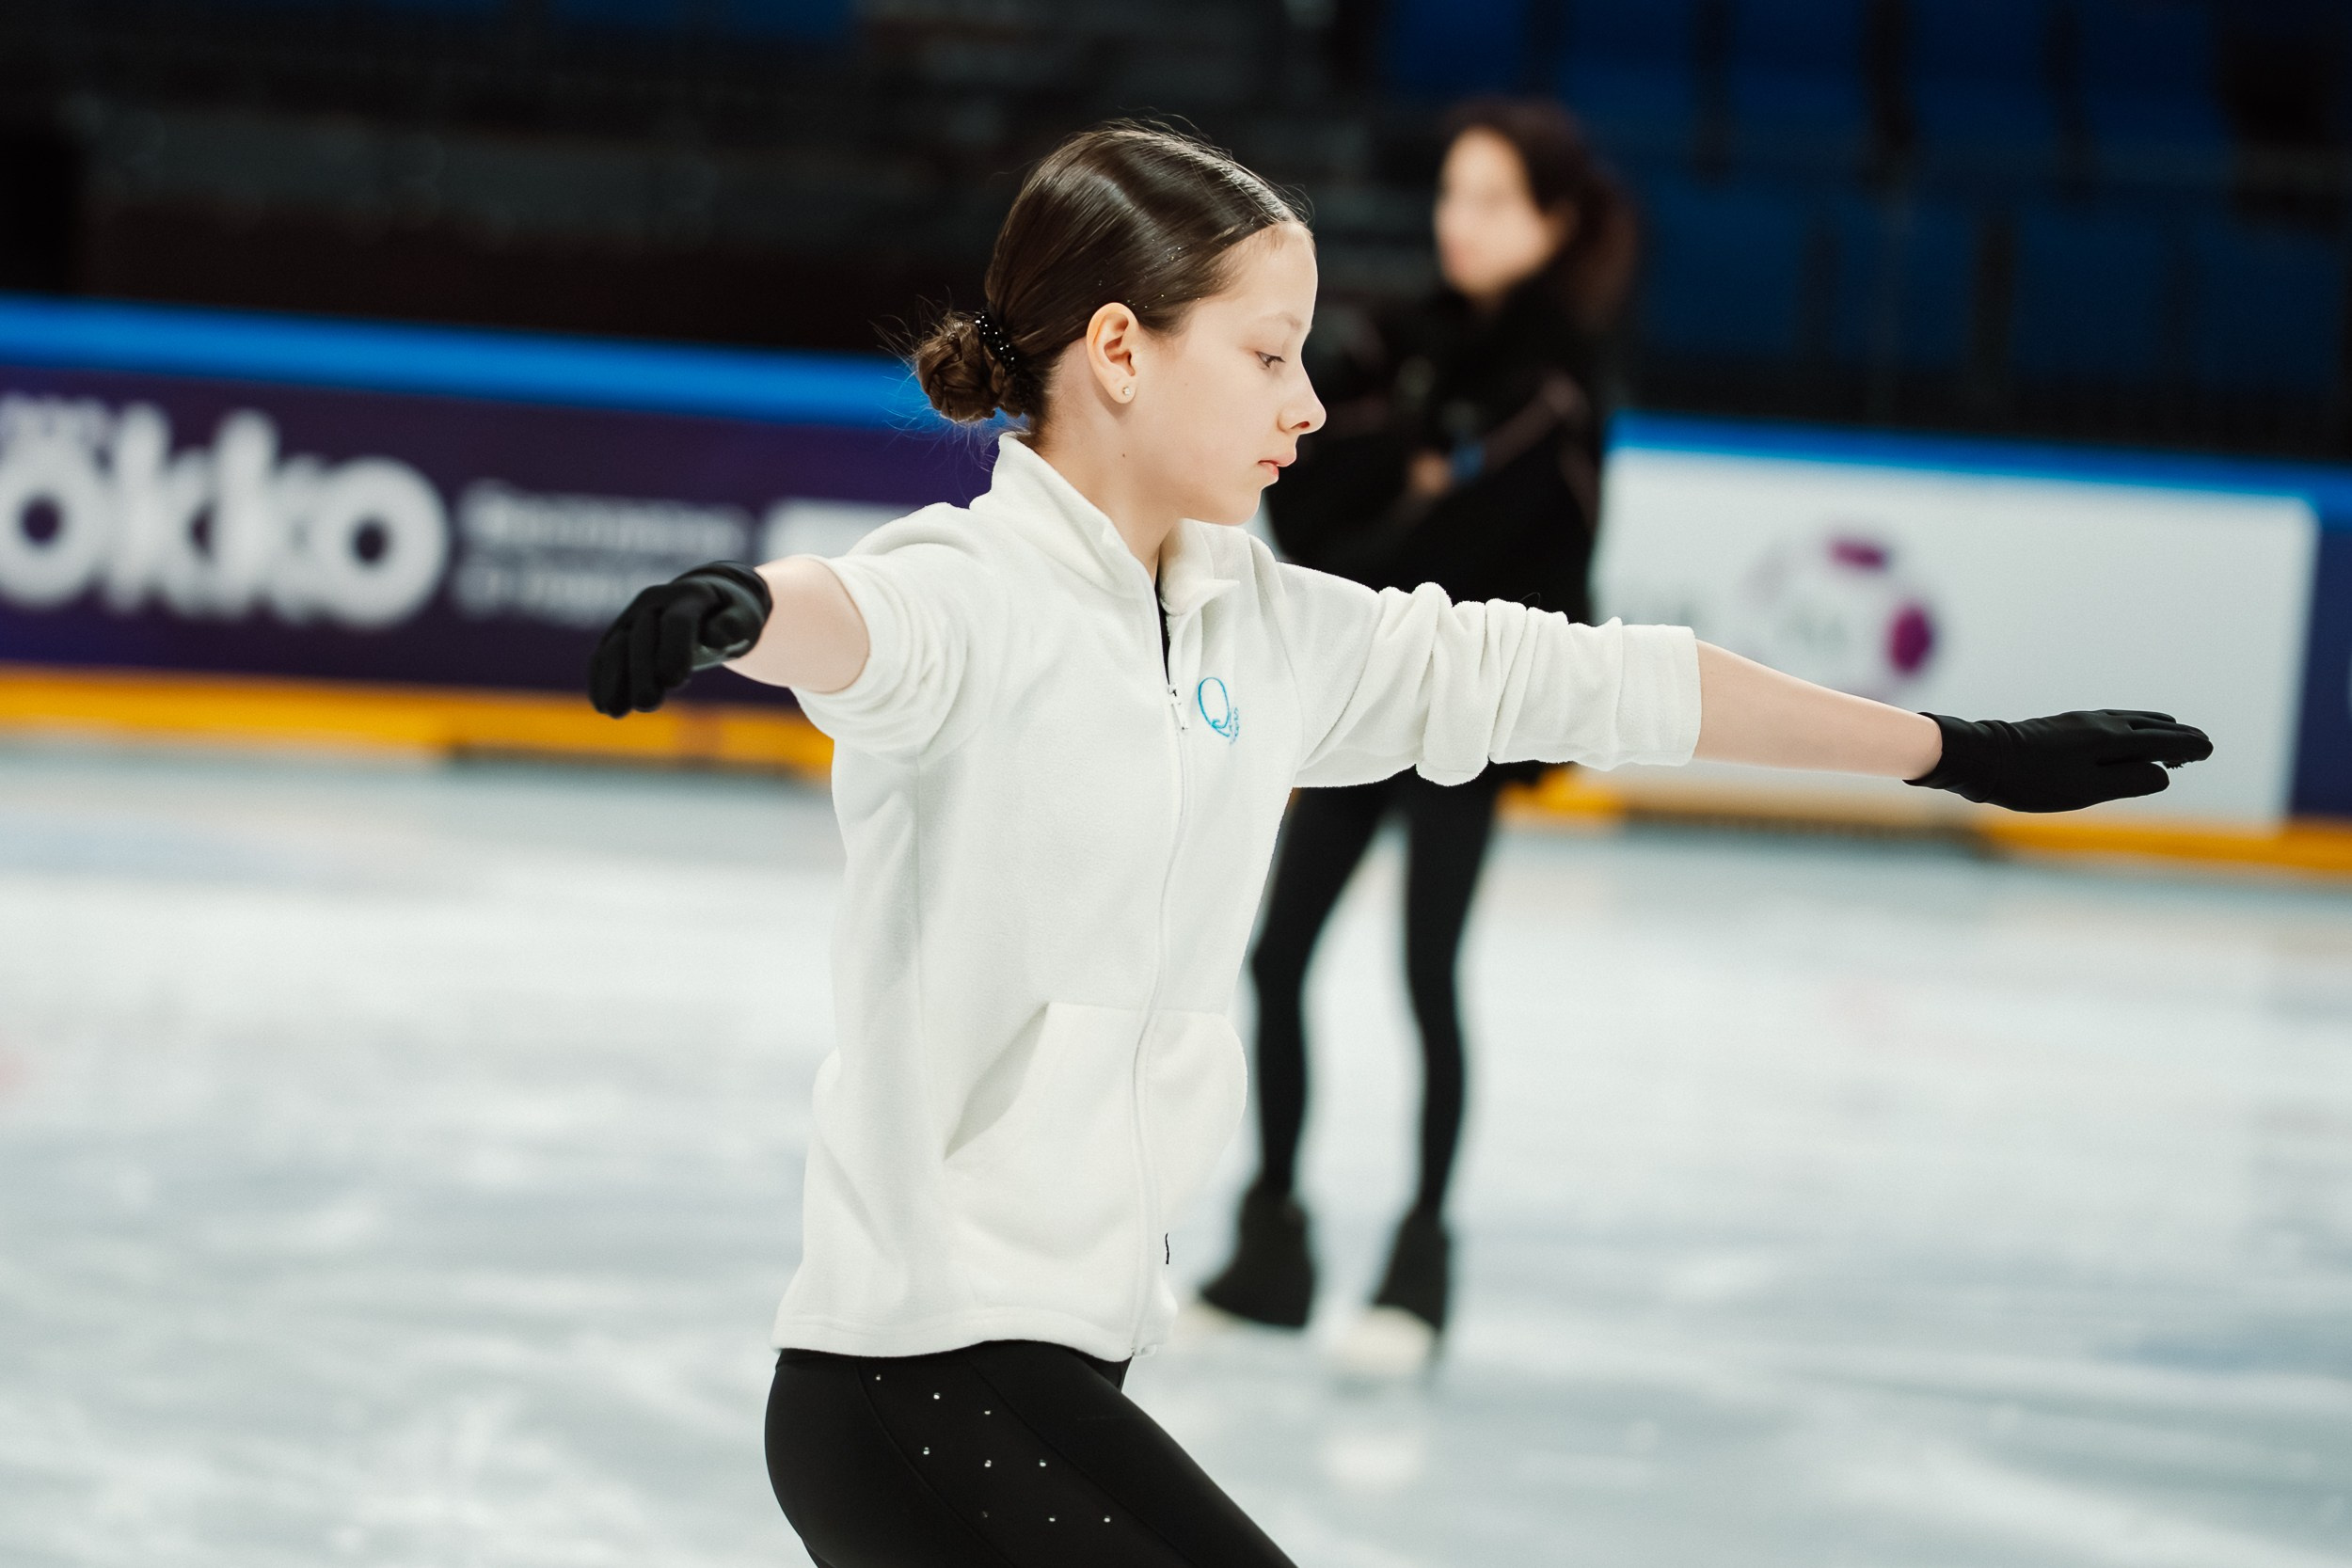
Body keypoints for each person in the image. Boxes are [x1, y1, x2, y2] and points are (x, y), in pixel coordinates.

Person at [586, 122, 2208, 1568]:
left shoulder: (1272, 633)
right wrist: (741, 614)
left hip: (1055, 1363)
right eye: (1269, 353)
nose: (1309, 401)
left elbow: (1606, 675)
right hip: (911, 1380)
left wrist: (1960, 753)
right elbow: (866, 623)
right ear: (1119, 351)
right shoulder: (976, 588)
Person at [1194, 99, 1638, 1376]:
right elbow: (1316, 513)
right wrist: (1411, 482)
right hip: (1357, 700)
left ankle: (1420, 1267)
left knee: (1426, 980)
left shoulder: (1559, 380)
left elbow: (1498, 555)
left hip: (1472, 714)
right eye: (1452, 196)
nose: (1460, 223)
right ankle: (1272, 1246)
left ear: (1552, 224)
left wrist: (1401, 495)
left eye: (1492, 202)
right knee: (1277, 961)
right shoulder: (1400, 339)